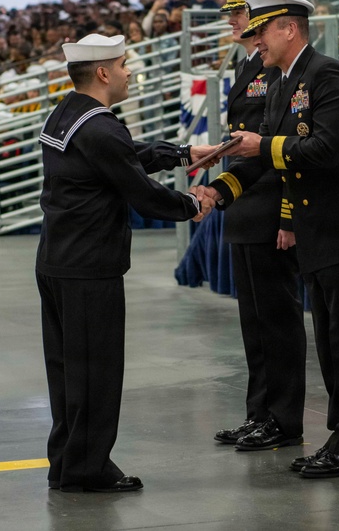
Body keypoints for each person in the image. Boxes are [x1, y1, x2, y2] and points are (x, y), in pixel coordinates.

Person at [207, 0, 339, 479]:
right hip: (315, 230)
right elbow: (267, 158)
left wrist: (264, 145)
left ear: (289, 28)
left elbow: (325, 148)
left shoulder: (326, 74)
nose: (254, 39)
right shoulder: (284, 83)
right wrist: (219, 190)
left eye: (261, 30)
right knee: (329, 344)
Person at [35, 33, 217, 494]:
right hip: (90, 267)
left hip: (58, 262)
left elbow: (120, 158)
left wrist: (180, 154)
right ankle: (88, 469)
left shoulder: (69, 113)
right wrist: (190, 204)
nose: (128, 71)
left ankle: (67, 462)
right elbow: (138, 189)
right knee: (96, 371)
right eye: (122, 64)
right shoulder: (101, 126)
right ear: (102, 73)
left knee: (67, 372)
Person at [209, 0, 307, 453]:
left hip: (269, 205)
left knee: (277, 320)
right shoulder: (252, 66)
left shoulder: (276, 73)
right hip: (245, 203)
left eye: (238, 13)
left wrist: (287, 216)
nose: (231, 19)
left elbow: (279, 147)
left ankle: (283, 418)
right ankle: (260, 412)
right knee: (255, 322)